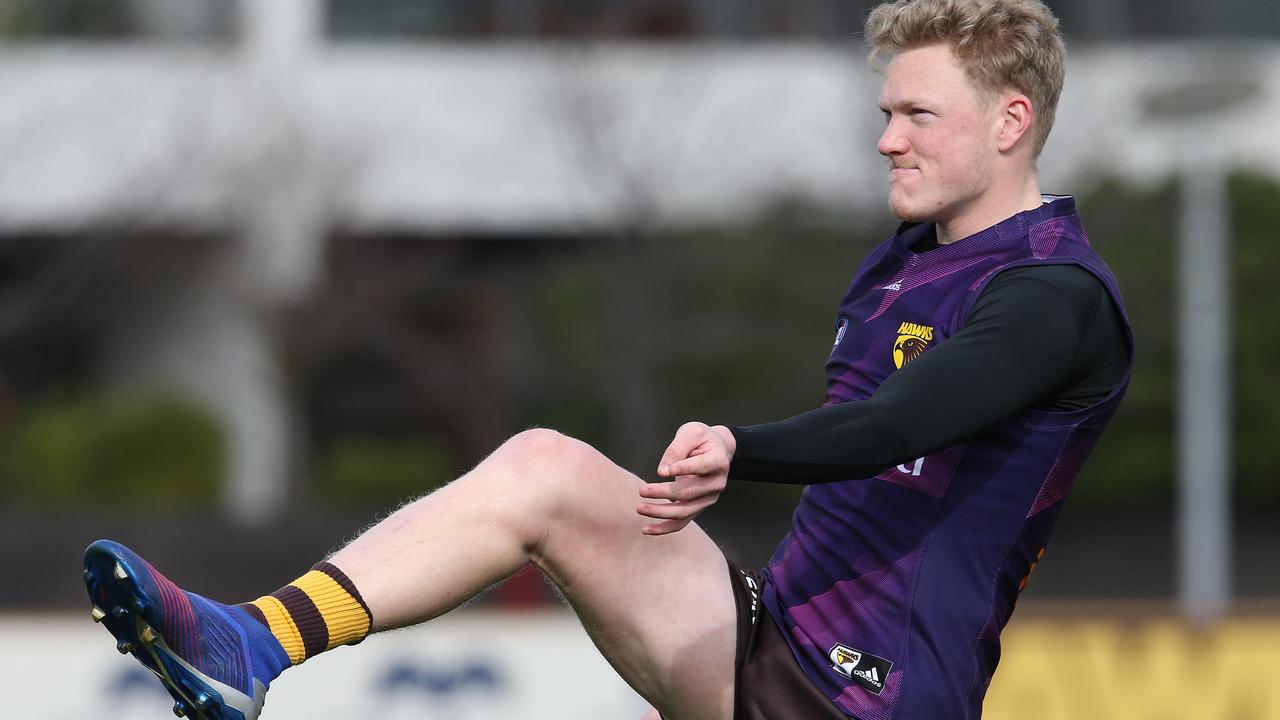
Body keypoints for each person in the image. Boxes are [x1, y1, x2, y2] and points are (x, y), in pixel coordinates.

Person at [82, 0, 1133, 718]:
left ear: (1010, 120)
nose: (885, 140)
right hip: (763, 640)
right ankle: (248, 645)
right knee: (544, 468)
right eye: (883, 114)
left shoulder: (1053, 295)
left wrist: (739, 449)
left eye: (915, 115)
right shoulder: (903, 263)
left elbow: (902, 426)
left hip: (874, 695)